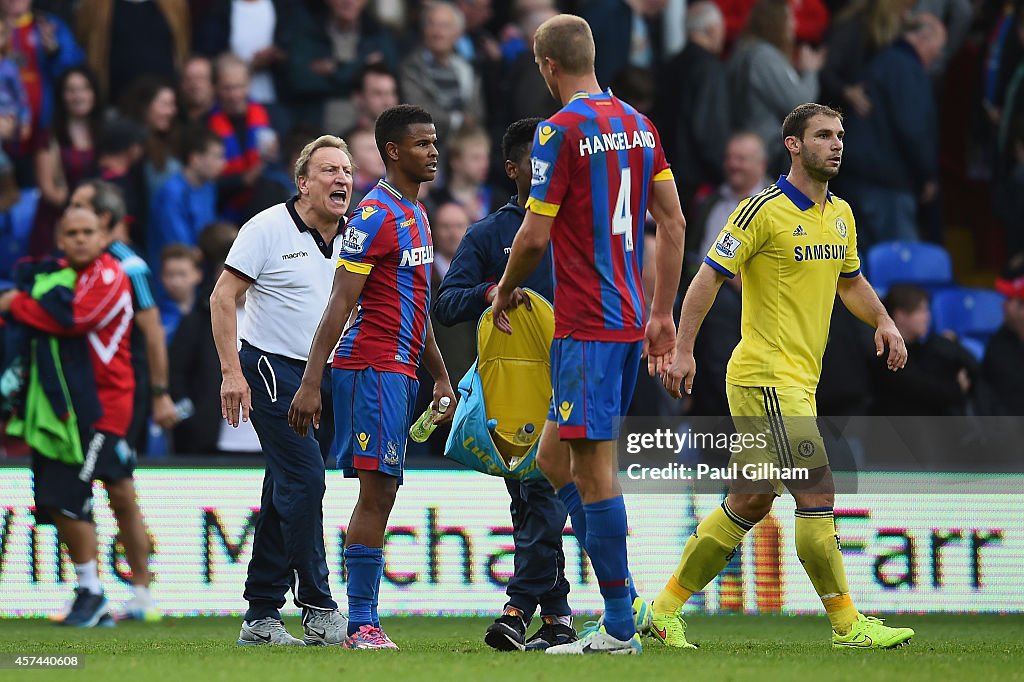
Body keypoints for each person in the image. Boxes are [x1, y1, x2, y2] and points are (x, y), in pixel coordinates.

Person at [659, 102, 915, 650]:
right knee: (816, 490)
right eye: (823, 135)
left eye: (840, 135)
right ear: (793, 145)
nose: (836, 144)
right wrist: (683, 350)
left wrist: (886, 320)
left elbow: (850, 281)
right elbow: (705, 279)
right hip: (766, 377)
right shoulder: (761, 211)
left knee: (751, 501)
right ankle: (848, 624)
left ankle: (662, 610)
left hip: (796, 379)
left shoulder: (840, 214)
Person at [490, 14, 685, 655]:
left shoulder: (559, 130)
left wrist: (509, 287)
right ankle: (620, 597)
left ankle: (620, 624)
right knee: (553, 462)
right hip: (629, 322)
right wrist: (662, 314)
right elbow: (673, 222)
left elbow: (535, 232)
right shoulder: (639, 124)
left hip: (587, 325)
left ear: (548, 66)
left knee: (596, 473)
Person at [287, 104, 457, 650]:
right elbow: (341, 302)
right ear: (392, 151)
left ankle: (361, 619)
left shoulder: (417, 214)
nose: (433, 151)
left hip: (401, 371)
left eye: (434, 142)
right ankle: (360, 623)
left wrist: (439, 376)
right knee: (377, 492)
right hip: (370, 367)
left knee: (383, 490)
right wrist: (312, 383)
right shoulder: (374, 215)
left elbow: (418, 304)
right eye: (422, 143)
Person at [435, 117, 576, 651]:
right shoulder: (489, 235)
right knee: (532, 502)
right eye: (539, 164)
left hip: (573, 379)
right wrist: (493, 290)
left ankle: (518, 609)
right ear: (514, 169)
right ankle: (558, 616)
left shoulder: (579, 229)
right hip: (514, 389)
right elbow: (447, 304)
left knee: (540, 496)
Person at [210, 135, 353, 646]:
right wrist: (232, 372)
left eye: (346, 171)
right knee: (306, 477)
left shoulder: (355, 234)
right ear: (303, 182)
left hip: (327, 375)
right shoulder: (267, 228)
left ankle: (261, 616)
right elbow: (223, 296)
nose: (342, 180)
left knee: (285, 489)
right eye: (329, 171)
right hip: (273, 370)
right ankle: (318, 605)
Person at [0, 208, 134, 627]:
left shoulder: (109, 273)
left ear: (103, 235)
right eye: (71, 232)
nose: (79, 239)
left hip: (102, 407)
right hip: (69, 408)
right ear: (60, 239)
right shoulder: (62, 276)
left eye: (88, 232)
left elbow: (77, 319)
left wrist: (18, 302)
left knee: (85, 497)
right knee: (65, 499)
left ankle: (107, 593)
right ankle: (92, 590)